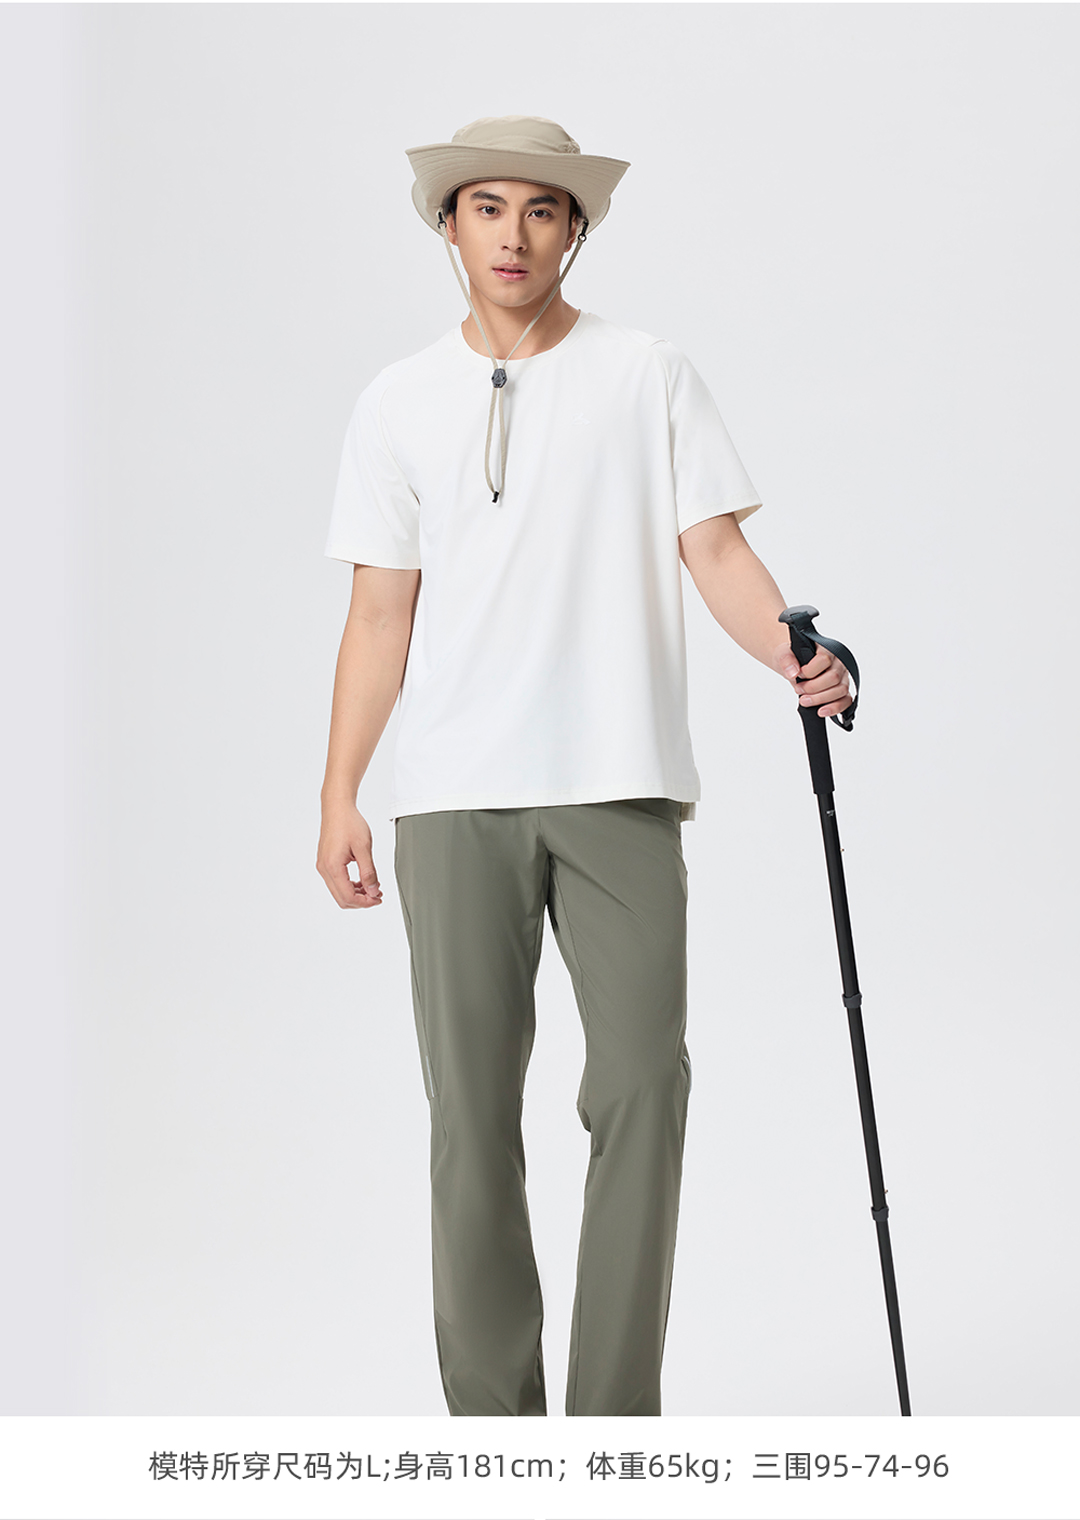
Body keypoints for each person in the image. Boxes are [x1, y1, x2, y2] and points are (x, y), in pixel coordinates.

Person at [316, 115, 851, 1418]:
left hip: (618, 783)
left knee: (643, 1087)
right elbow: (379, 617)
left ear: (575, 230)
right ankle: (496, 1440)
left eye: (543, 209)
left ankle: (613, 1434)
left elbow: (715, 550)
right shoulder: (397, 401)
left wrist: (792, 655)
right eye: (487, 207)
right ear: (450, 227)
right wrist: (340, 793)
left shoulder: (646, 373)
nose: (514, 234)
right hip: (453, 799)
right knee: (470, 1121)